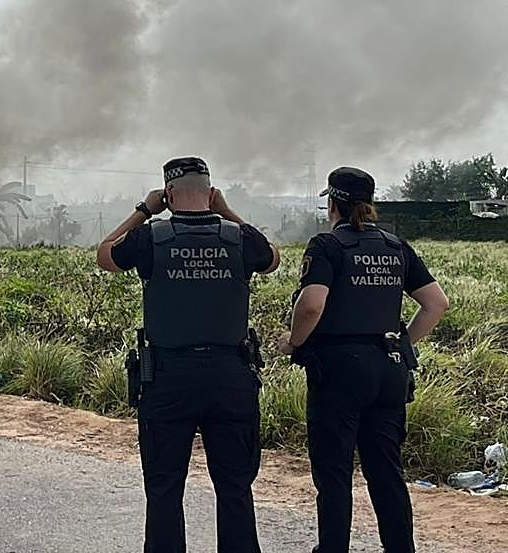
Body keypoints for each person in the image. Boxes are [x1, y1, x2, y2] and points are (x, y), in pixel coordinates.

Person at [98, 157, 280, 553]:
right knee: (234, 487)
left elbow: (105, 255)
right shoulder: (239, 239)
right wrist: (227, 211)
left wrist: (144, 211)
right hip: (231, 376)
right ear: (210, 193)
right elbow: (272, 258)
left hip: (168, 377)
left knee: (164, 487)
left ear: (169, 194)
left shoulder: (150, 237)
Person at [278, 167, 448, 553]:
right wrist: (402, 345)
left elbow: (311, 305)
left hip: (338, 372)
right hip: (388, 370)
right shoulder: (395, 247)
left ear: (332, 203)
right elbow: (437, 304)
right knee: (386, 471)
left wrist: (293, 341)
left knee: (334, 474)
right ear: (369, 204)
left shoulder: (326, 245)